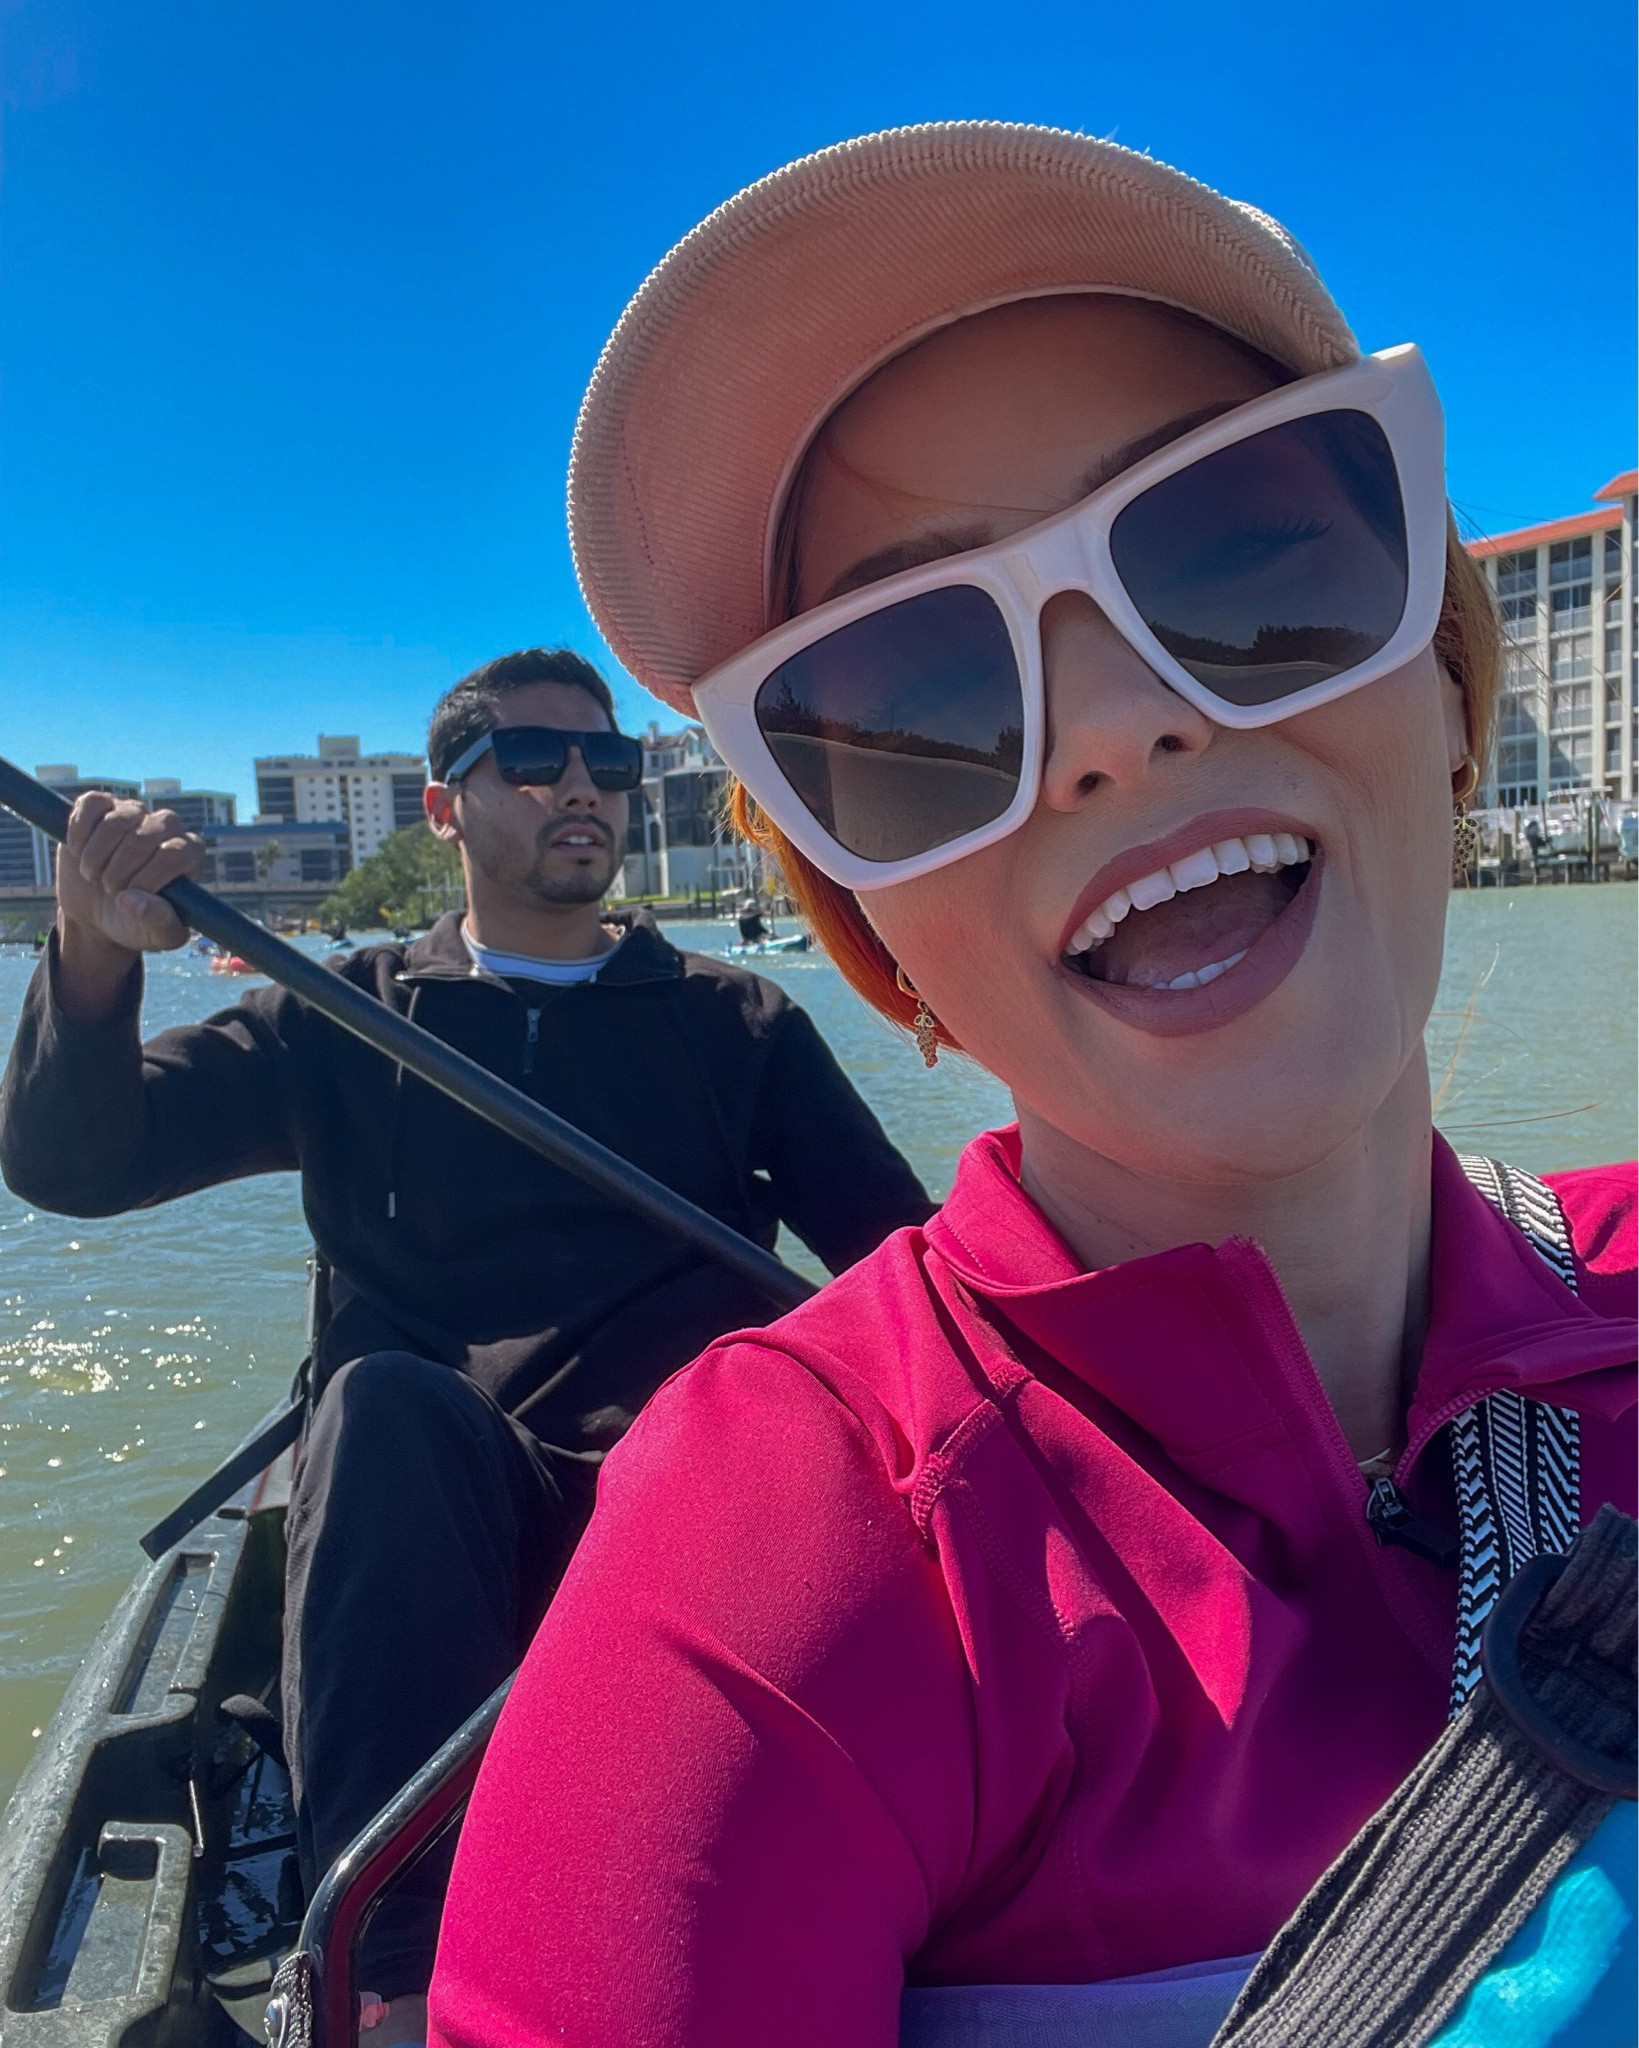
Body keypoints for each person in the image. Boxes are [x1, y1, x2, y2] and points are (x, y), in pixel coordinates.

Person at [427, 128, 1637, 2048]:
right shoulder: (792, 1559)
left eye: (1243, 558)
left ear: (1450, 681)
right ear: (874, 928)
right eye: (916, 703)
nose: (1114, 727)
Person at [0, 644, 932, 2033]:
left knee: (777, 1424)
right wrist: (87, 955)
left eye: (609, 764)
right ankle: (391, 1979)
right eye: (536, 759)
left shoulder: (739, 1023)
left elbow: (903, 1269)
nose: (584, 788)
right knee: (379, 1408)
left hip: (685, 1502)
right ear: (442, 808)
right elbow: (76, 1163)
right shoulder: (338, 1015)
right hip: (436, 1524)